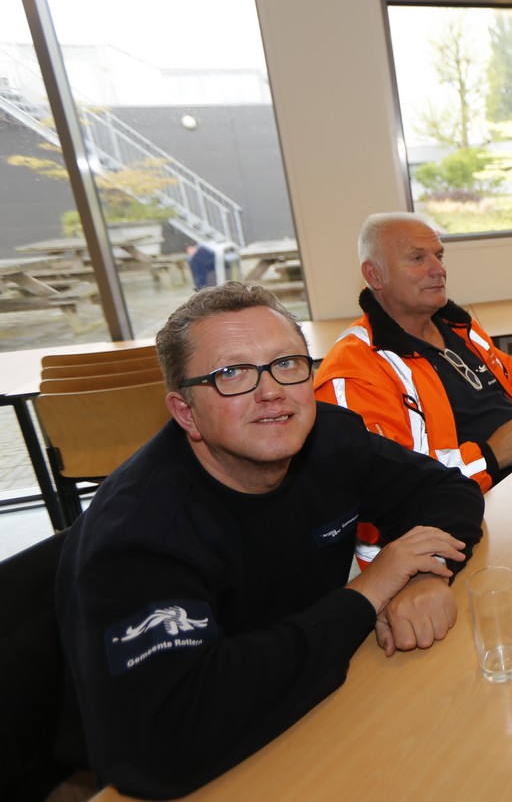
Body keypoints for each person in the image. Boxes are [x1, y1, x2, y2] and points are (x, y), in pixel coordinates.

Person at [56, 283, 485, 799]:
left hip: (317, 715)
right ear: (185, 411)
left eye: (286, 363)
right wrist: (369, 592)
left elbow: (446, 491)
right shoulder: (139, 535)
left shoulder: (327, 439)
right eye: (231, 374)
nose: (271, 391)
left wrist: (421, 576)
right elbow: (165, 743)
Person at [315, 212, 512, 502]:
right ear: (374, 275)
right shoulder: (354, 369)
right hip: (462, 508)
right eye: (417, 258)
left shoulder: (462, 329)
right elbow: (389, 486)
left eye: (439, 256)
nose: (439, 270)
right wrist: (490, 456)